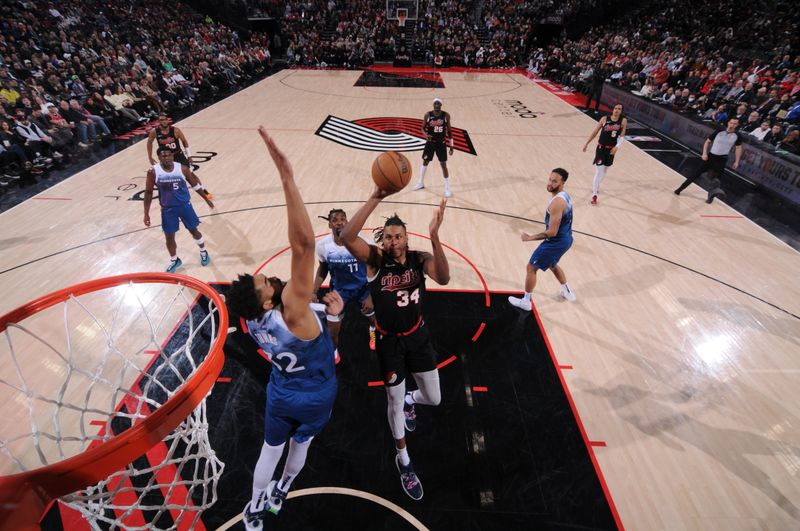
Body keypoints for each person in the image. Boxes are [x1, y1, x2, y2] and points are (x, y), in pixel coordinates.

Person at [226, 127, 342, 530]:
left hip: (280, 390)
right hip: (315, 393)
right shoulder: (292, 310)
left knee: (268, 451)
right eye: (264, 284)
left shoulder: (250, 318)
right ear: (268, 300)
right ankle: (283, 489)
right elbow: (306, 246)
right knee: (300, 445)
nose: (269, 279)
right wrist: (287, 175)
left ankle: (254, 510)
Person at [340, 190, 450, 501]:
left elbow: (443, 278)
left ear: (406, 237)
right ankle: (403, 461)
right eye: (387, 236)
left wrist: (435, 237)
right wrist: (376, 195)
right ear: (383, 240)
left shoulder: (419, 259)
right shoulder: (375, 260)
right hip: (387, 343)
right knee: (392, 402)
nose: (393, 241)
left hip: (418, 337)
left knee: (435, 398)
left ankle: (412, 400)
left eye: (398, 236)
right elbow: (348, 236)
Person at [509, 168, 576, 311]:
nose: (550, 183)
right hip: (566, 239)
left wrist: (530, 238)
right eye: (550, 179)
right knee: (552, 264)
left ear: (562, 183)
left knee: (531, 267)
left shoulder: (557, 202)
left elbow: (552, 232)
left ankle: (526, 301)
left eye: (555, 181)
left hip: (556, 242)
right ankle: (567, 291)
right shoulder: (565, 195)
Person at [314, 208, 377, 351]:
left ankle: (372, 329)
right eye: (334, 220)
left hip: (362, 288)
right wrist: (313, 291)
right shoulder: (322, 246)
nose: (339, 223)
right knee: (332, 332)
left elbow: (373, 267)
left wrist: (371, 294)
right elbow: (323, 268)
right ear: (329, 224)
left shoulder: (363, 241)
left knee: (373, 318)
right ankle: (334, 351)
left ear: (347, 222)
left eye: (342, 219)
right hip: (339, 291)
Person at [143, 147, 214, 272]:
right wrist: (146, 214)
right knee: (169, 237)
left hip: (184, 206)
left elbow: (195, 185)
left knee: (194, 231)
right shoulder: (153, 172)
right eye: (163, 156)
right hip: (167, 209)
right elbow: (148, 193)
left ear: (172, 156)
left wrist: (206, 199)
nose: (167, 158)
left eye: (169, 155)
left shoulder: (182, 168)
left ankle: (203, 251)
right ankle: (175, 260)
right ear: (159, 158)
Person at [674, 118, 743, 204]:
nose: (732, 125)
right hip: (711, 157)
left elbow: (738, 148)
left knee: (716, 181)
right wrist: (704, 154)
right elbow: (707, 141)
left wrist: (736, 161)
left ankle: (710, 198)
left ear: (737, 125)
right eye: (731, 123)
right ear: (728, 123)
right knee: (695, 174)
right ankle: (680, 189)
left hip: (722, 160)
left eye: (735, 124)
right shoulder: (719, 131)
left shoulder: (738, 136)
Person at [582, 103, 627, 205]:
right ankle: (594, 195)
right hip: (601, 148)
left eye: (619, 109)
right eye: (616, 108)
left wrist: (617, 147)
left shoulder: (623, 121)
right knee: (599, 171)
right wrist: (587, 143)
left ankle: (596, 186)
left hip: (611, 150)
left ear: (621, 111)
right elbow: (595, 132)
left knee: (604, 171)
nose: (617, 110)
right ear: (613, 109)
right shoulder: (605, 119)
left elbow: (622, 135)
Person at [412, 98, 454, 198]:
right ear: (433, 104)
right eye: (435, 103)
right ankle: (420, 183)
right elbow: (422, 128)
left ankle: (447, 188)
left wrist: (451, 146)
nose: (436, 105)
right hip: (430, 143)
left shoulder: (446, 115)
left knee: (443, 165)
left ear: (441, 105)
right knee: (425, 162)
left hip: (441, 143)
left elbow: (450, 131)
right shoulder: (428, 115)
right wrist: (426, 135)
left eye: (438, 103)